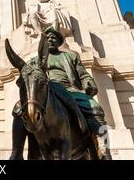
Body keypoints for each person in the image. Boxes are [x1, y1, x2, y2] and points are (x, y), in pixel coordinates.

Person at [14, 27, 111, 159]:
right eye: (48, 38)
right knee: (19, 108)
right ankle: (16, 152)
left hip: (69, 90)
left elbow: (83, 74)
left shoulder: (69, 56)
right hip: (44, 90)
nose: (50, 40)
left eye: (54, 38)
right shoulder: (34, 61)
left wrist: (89, 82)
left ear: (59, 42)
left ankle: (102, 145)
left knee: (95, 108)